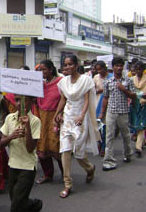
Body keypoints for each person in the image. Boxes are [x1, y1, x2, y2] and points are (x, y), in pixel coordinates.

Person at [54, 55, 99, 198]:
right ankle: (67, 184)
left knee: (79, 152)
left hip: (80, 119)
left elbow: (87, 100)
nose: (67, 67)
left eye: (70, 64)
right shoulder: (63, 82)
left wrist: (81, 115)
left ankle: (90, 168)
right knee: (65, 150)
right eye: (65, 65)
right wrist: (57, 113)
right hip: (67, 118)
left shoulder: (85, 80)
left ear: (76, 64)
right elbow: (63, 99)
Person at [0, 94, 43, 212]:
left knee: (15, 206)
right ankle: (35, 205)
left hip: (27, 166)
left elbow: (30, 148)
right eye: (17, 100)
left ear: (31, 101)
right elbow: (2, 143)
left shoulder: (35, 121)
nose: (19, 103)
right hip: (13, 164)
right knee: (15, 199)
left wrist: (27, 126)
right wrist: (11, 136)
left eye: (24, 100)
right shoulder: (9, 118)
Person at [99, 57, 136, 171]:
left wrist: (124, 89)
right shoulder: (108, 81)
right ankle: (108, 161)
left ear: (123, 67)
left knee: (126, 136)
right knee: (109, 136)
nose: (119, 68)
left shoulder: (128, 80)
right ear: (113, 67)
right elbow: (105, 98)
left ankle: (128, 154)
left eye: (121, 65)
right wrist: (102, 113)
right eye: (116, 65)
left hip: (123, 112)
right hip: (111, 112)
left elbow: (134, 96)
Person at [35, 60, 63, 184]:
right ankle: (48, 175)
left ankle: (65, 174)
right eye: (39, 70)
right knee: (42, 146)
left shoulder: (61, 82)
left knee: (57, 147)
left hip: (55, 118)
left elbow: (65, 99)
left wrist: (61, 114)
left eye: (44, 69)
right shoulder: (39, 84)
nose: (41, 72)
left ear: (51, 69)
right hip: (41, 117)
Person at [129, 61, 146, 157]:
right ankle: (141, 141)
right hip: (135, 103)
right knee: (136, 123)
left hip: (144, 103)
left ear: (143, 70)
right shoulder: (131, 79)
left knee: (142, 124)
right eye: (136, 69)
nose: (138, 71)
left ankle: (138, 147)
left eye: (140, 69)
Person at [93, 61, 113, 157]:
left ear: (105, 68)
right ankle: (99, 142)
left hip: (109, 103)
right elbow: (92, 89)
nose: (99, 71)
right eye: (97, 69)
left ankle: (104, 146)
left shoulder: (111, 77)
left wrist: (103, 90)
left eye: (100, 69)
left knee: (106, 127)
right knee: (98, 127)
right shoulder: (96, 77)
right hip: (97, 104)